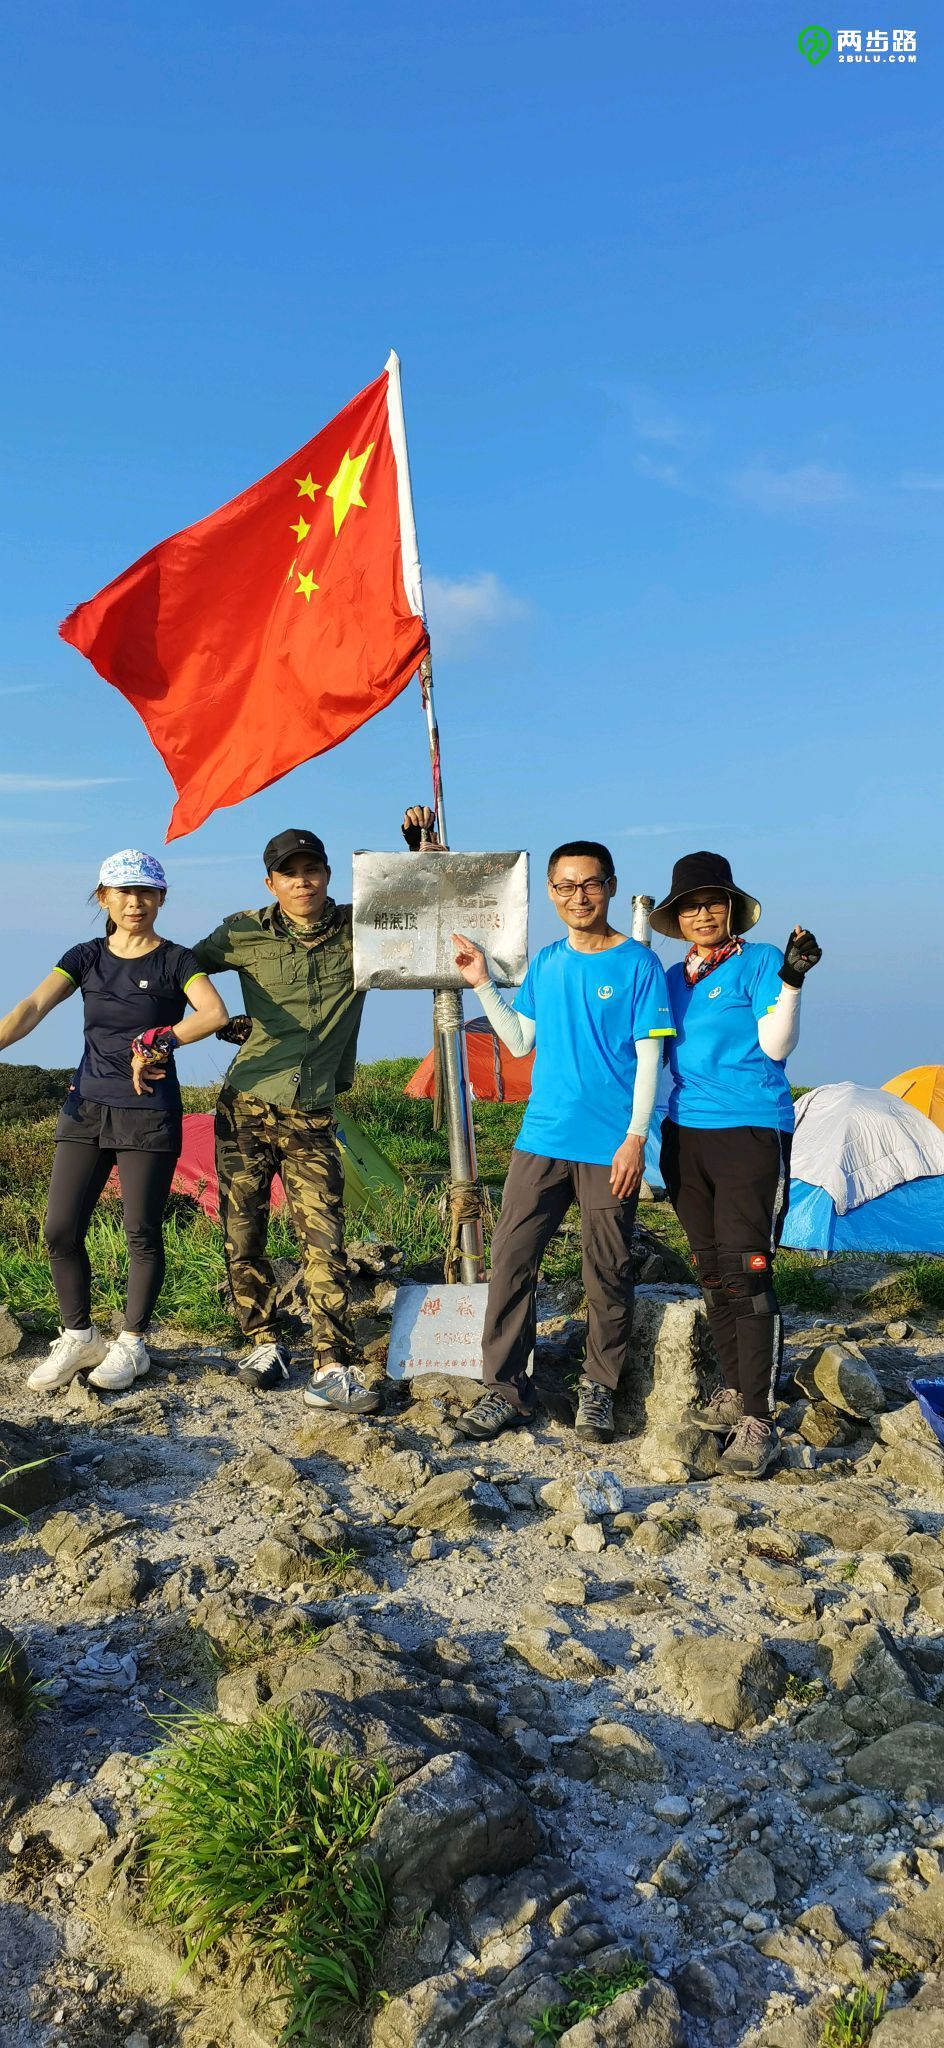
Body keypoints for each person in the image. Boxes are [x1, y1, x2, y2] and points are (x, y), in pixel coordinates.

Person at [190, 807, 438, 1409]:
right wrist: (218, 1021)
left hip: (313, 1111)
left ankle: (331, 1363)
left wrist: (419, 852)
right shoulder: (241, 932)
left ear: (327, 875)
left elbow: (420, 913)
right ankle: (263, 1340)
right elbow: (181, 968)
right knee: (243, 1230)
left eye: (312, 870)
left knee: (325, 1238)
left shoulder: (361, 927)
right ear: (270, 882)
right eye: (289, 873)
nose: (302, 882)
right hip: (246, 1104)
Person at [451, 840, 675, 1443]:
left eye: (591, 884)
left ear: (610, 886)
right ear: (552, 893)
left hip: (609, 1145)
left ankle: (598, 1390)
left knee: (608, 1269)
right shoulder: (547, 963)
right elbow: (520, 1041)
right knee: (511, 1259)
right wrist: (481, 983)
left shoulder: (638, 965)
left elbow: (649, 1060)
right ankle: (506, 1390)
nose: (580, 897)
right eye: (566, 886)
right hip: (542, 1138)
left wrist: (635, 1139)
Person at [0, 850, 228, 1394]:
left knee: (141, 1232)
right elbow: (33, 1006)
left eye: (146, 892)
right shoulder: (84, 957)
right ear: (103, 897)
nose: (135, 902)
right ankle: (79, 1336)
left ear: (161, 898)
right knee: (59, 1229)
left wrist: (157, 1040)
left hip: (148, 1112)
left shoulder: (176, 960)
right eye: (124, 891)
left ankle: (132, 1342)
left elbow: (213, 1014)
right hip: (85, 1107)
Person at [650, 851, 821, 1479]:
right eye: (689, 906)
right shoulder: (673, 979)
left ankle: (759, 1416)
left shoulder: (761, 961)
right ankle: (732, 1386)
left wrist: (793, 980)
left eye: (712, 903)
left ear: (730, 907)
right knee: (712, 1270)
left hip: (749, 1129)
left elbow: (777, 1044)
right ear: (677, 917)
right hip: (684, 1134)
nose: (702, 915)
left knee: (747, 1271)